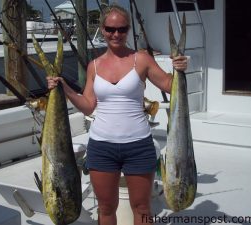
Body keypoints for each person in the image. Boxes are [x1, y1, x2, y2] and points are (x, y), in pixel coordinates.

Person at [47, 4, 187, 225]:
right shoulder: (94, 66)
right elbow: (88, 106)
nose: (116, 34)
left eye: (122, 29)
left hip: (138, 146)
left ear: (128, 30)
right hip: (102, 146)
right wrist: (65, 88)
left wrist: (179, 68)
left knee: (141, 207)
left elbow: (171, 86)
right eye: (110, 29)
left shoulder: (141, 59)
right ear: (102, 29)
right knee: (105, 208)